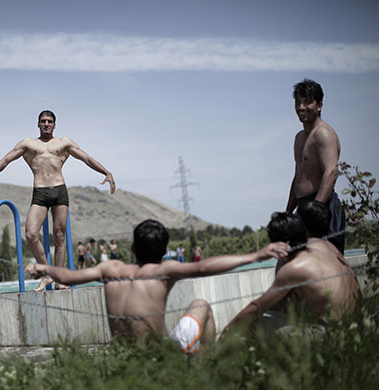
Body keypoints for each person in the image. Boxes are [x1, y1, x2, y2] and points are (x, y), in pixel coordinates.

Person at [26, 219, 289, 353]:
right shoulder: (164, 271)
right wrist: (256, 256)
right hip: (158, 356)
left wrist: (45, 268)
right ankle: (203, 371)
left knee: (197, 306)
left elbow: (69, 277)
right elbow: (204, 266)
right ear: (165, 251)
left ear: (131, 248)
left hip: (124, 357)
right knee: (201, 306)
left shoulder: (111, 270)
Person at [0, 110, 116, 291]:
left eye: (50, 121)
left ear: (54, 124)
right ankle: (48, 274)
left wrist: (106, 172)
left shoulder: (64, 143)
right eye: (43, 121)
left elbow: (86, 158)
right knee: (30, 234)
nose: (46, 124)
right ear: (38, 124)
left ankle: (60, 280)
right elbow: (6, 159)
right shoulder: (28, 144)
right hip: (40, 193)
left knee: (60, 237)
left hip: (59, 190)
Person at [223, 210, 359, 336]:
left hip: (328, 333)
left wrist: (226, 331)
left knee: (251, 322)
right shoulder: (324, 247)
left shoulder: (294, 268)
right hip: (351, 326)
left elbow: (257, 307)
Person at [285, 79, 345, 254]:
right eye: (298, 102)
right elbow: (298, 177)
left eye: (307, 102)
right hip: (304, 208)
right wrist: (289, 211)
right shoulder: (299, 138)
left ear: (319, 105)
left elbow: (331, 172)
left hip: (323, 207)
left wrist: (315, 210)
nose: (301, 107)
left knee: (330, 267)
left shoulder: (324, 133)